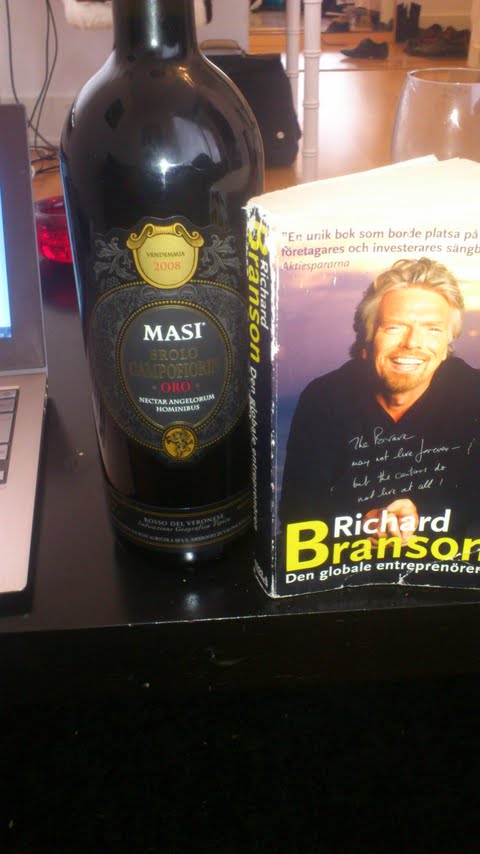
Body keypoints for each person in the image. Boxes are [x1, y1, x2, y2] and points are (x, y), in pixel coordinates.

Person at [279, 257, 480, 543]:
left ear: (447, 345)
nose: (412, 342)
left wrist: (419, 519)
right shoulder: (324, 397)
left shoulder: (474, 394)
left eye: (432, 329)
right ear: (367, 338)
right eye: (394, 327)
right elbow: (297, 515)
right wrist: (363, 523)